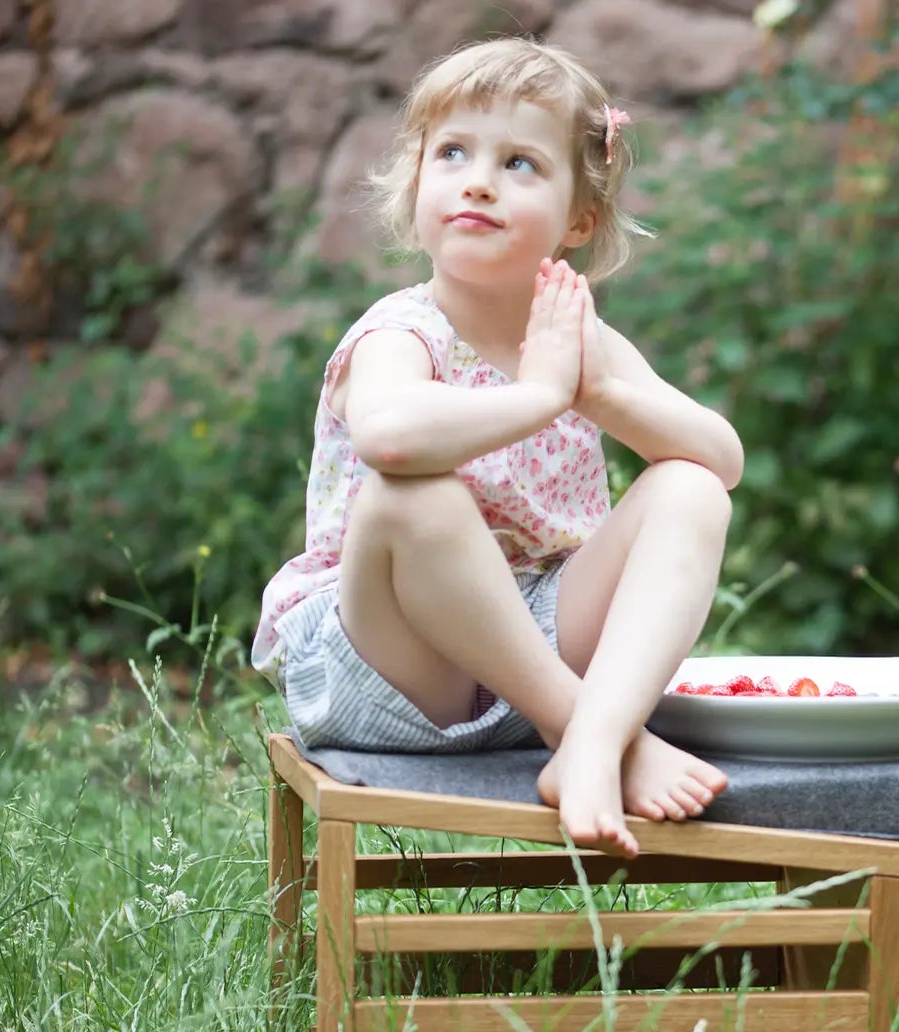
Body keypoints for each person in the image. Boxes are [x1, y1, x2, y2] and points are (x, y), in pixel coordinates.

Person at [252, 38, 742, 859]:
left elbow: (720, 458)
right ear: (417, 184)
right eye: (453, 153)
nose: (479, 179)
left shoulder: (575, 339)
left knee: (689, 488)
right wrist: (538, 398)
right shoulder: (401, 333)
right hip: (395, 667)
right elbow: (388, 436)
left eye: (520, 163)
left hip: (533, 644)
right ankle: (586, 734)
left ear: (578, 219)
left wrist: (595, 391)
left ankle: (596, 731)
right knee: (412, 490)